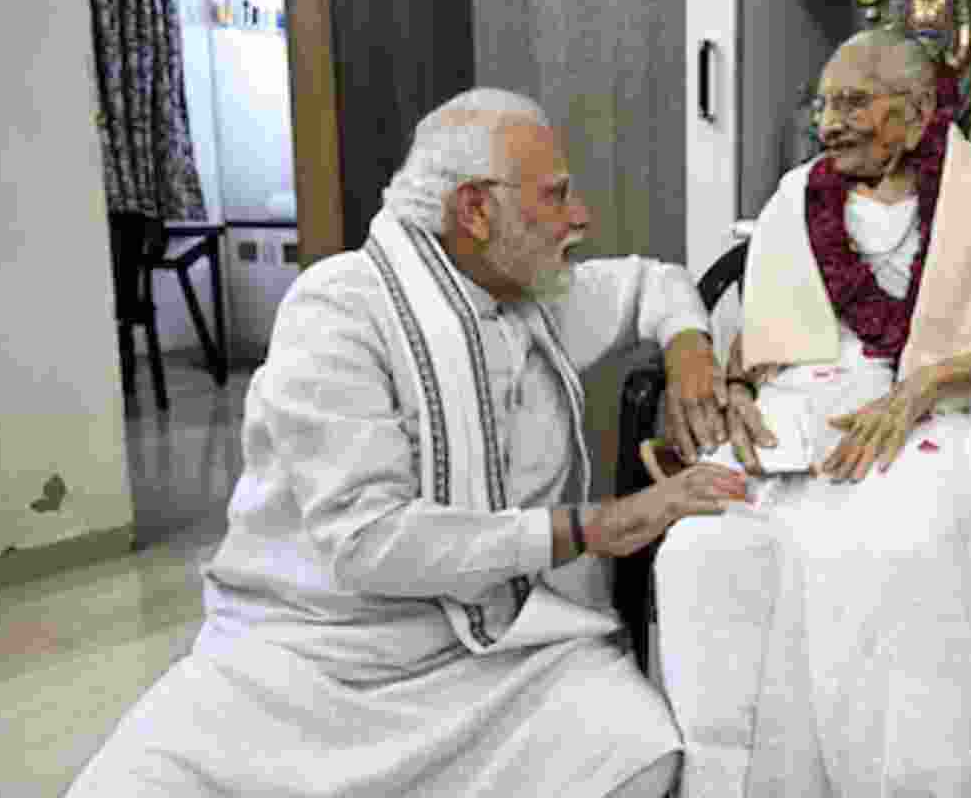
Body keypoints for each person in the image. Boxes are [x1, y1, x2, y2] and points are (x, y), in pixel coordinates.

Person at [66, 88, 749, 797]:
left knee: (639, 755)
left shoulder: (536, 297)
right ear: (475, 211)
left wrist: (689, 354)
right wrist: (602, 524)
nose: (581, 217)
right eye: (556, 196)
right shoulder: (337, 314)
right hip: (319, 660)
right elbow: (370, 541)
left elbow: (653, 284)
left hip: (507, 652)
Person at [653, 27, 971, 796]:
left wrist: (925, 384)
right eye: (824, 104)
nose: (828, 124)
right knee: (697, 548)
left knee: (888, 551)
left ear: (915, 114)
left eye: (852, 102)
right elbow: (752, 338)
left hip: (930, 411)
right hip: (798, 410)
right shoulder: (798, 195)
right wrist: (742, 392)